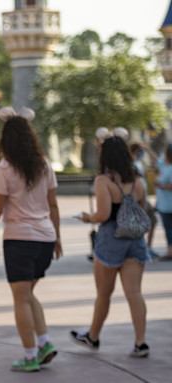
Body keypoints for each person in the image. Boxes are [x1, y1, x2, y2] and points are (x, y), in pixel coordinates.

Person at [0, 106, 62, 372]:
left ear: (5, 139)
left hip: (20, 240)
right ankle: (44, 343)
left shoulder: (5, 167)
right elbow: (53, 205)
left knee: (20, 298)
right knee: (27, 294)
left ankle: (30, 355)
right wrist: (57, 238)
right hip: (45, 238)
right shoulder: (44, 165)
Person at [73, 135, 150, 358]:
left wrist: (88, 218)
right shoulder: (138, 180)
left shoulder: (103, 181)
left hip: (110, 240)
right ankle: (141, 342)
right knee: (134, 293)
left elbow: (104, 214)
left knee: (104, 294)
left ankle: (93, 337)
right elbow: (142, 210)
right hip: (135, 240)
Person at [130, 142, 159, 258]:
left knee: (152, 222)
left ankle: (147, 247)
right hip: (137, 199)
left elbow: (158, 163)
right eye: (139, 150)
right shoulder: (130, 163)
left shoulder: (140, 162)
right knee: (139, 224)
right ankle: (140, 247)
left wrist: (147, 150)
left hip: (145, 198)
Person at [155, 143, 172, 261]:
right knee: (168, 229)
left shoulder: (170, 168)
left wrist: (160, 185)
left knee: (170, 229)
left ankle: (170, 252)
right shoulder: (165, 166)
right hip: (164, 205)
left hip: (169, 205)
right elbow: (156, 160)